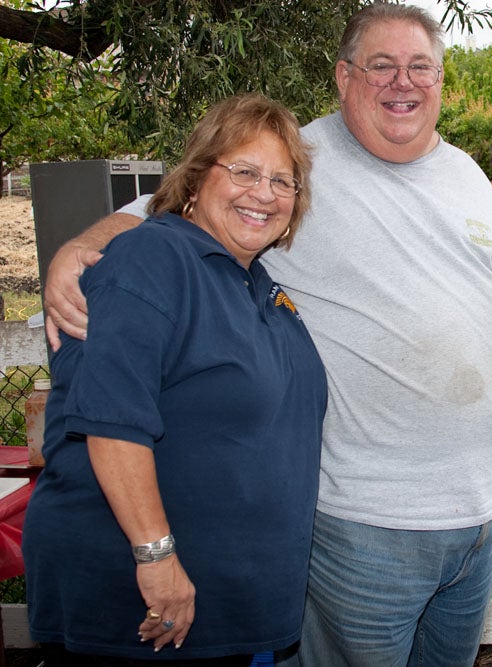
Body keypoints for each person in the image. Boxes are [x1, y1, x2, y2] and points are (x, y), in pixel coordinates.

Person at [42, 4, 492, 666]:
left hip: (476, 514)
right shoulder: (296, 162)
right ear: (343, 76)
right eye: (380, 65)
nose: (401, 82)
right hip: (368, 523)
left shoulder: (464, 172)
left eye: (420, 67)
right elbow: (166, 211)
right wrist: (79, 248)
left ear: (441, 79)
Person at [22, 94, 327, 665]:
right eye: (244, 171)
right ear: (194, 178)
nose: (264, 193)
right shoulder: (152, 260)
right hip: (147, 613)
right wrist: (157, 559)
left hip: (229, 610)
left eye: (283, 182)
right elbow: (112, 424)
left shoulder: (253, 280)